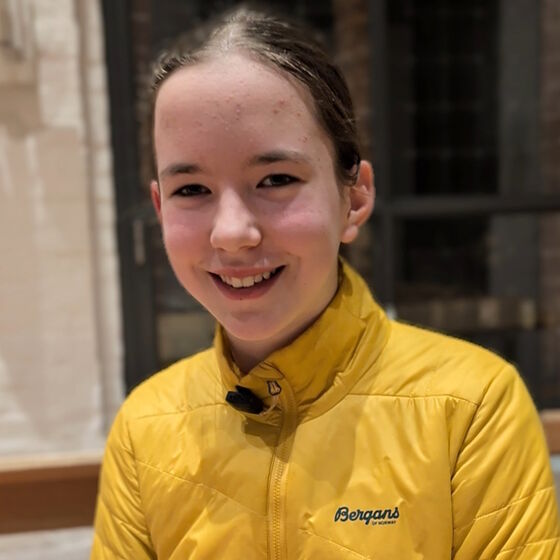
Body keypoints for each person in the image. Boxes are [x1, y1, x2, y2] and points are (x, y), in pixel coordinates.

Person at [91, 7, 560, 559]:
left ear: (354, 197)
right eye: (191, 190)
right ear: (159, 207)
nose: (233, 233)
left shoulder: (471, 405)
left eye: (276, 179)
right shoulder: (144, 425)